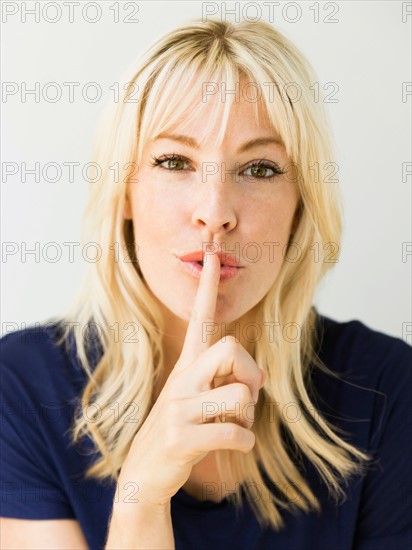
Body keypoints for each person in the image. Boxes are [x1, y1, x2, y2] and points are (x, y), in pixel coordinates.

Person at [1, 17, 411, 550]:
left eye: (260, 169)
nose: (215, 213)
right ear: (123, 193)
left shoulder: (386, 390)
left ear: (301, 205)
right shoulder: (23, 388)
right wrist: (140, 501)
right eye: (175, 161)